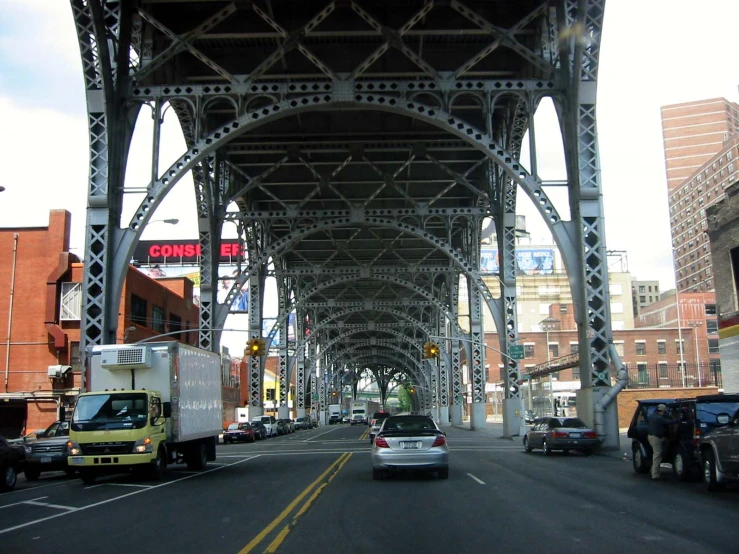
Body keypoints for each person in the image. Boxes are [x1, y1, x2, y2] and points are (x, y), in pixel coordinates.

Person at [647, 403, 679, 480]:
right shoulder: (659, 418)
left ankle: (652, 470)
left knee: (657, 453)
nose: (665, 413)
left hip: (651, 437)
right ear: (662, 411)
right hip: (656, 438)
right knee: (657, 455)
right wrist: (678, 420)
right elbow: (669, 422)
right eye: (664, 412)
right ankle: (655, 475)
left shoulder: (652, 416)